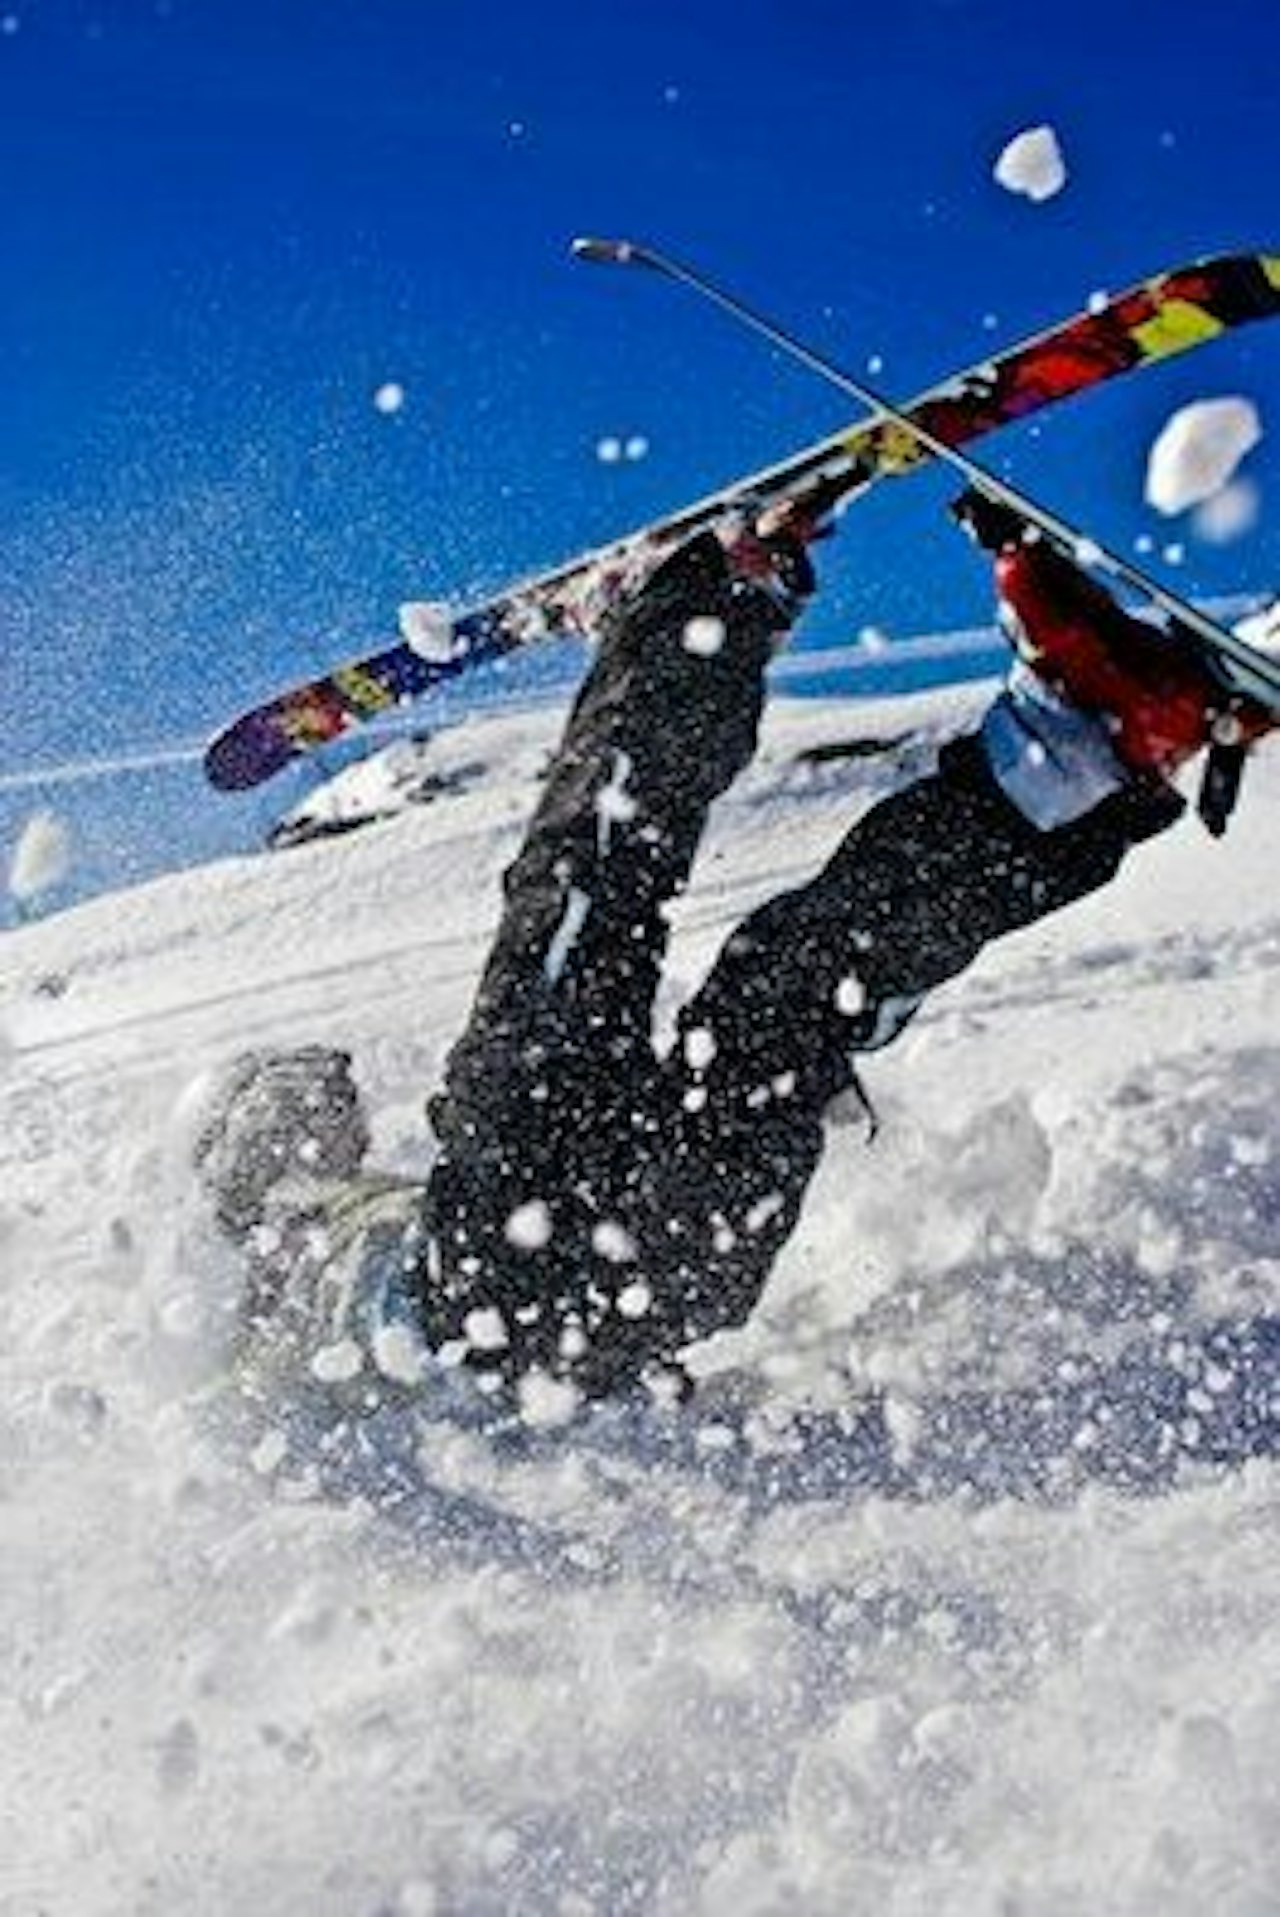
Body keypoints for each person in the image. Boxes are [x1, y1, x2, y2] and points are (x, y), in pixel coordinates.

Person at [196, 488, 1271, 1413]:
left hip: (666, 1283)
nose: (328, 1118)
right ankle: (687, 603)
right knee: (586, 892)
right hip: (497, 1272)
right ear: (242, 1170)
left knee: (785, 991)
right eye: (293, 1116)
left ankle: (1080, 743)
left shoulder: (322, 1251)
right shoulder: (272, 1261)